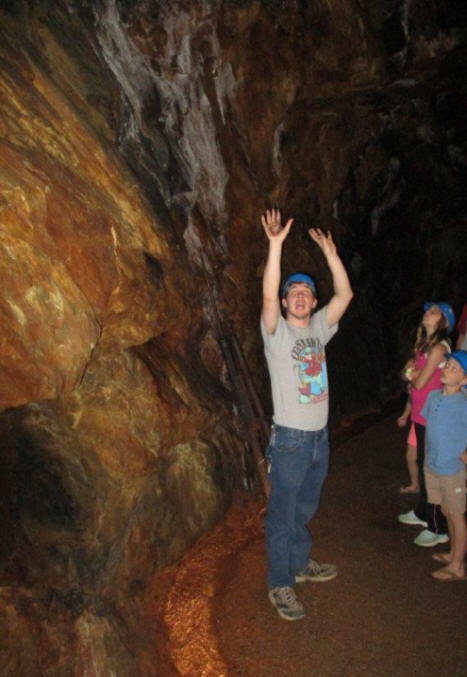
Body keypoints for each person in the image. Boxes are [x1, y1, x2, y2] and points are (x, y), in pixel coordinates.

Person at [261, 208, 353, 621]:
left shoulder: (318, 329)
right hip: (291, 440)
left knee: (303, 509)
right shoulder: (277, 333)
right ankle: (281, 583)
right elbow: (266, 295)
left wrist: (331, 256)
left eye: (306, 292)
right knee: (283, 513)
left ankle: (299, 564)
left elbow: (346, 296)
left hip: (319, 439)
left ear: (313, 302)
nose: (299, 296)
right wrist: (276, 245)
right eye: (293, 292)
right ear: (285, 302)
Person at [398, 302, 455, 547]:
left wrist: (412, 376)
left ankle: (438, 527)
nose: (428, 313)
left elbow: (418, 382)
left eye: (434, 311)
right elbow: (407, 374)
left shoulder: (439, 349)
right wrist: (410, 375)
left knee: (430, 470)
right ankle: (424, 512)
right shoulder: (424, 345)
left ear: (443, 322)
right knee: (422, 465)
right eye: (428, 309)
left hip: (434, 417)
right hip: (421, 416)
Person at [422, 350, 467, 581]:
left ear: (464, 380)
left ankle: (458, 566)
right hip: (434, 465)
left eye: (455, 369)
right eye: (448, 364)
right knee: (447, 510)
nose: (448, 369)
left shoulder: (464, 403)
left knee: (457, 515)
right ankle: (452, 554)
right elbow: (432, 429)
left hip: (452, 469)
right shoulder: (434, 397)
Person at [397, 398, 419, 494]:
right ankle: (415, 485)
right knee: (410, 457)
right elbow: (411, 399)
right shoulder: (412, 384)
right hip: (417, 423)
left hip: (434, 424)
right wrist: (405, 416)